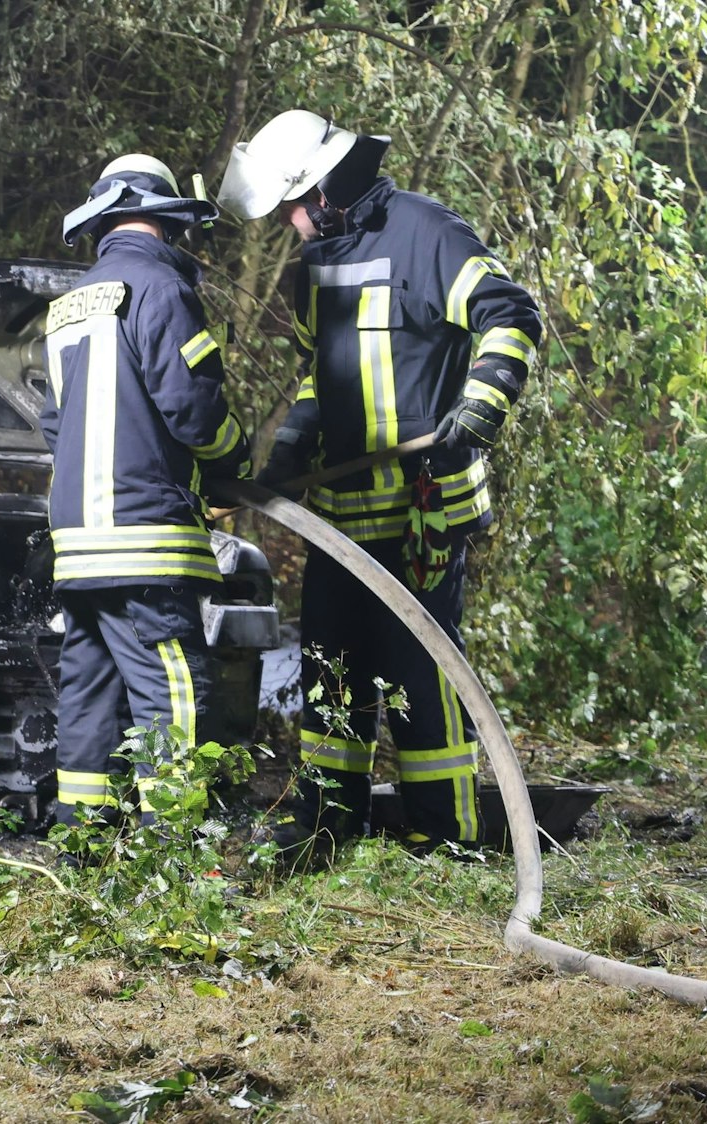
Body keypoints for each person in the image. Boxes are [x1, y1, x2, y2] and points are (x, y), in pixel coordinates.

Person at [217, 110, 542, 858]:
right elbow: (315, 379)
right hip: (339, 517)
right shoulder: (313, 264)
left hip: (419, 511)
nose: (291, 225)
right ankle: (325, 828)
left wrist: (478, 410)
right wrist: (284, 461)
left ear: (326, 185)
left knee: (419, 674)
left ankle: (446, 837)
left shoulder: (427, 234)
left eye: (294, 207)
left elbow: (509, 315)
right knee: (330, 674)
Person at [41, 154, 252, 828]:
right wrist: (232, 464)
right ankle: (171, 849)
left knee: (88, 691)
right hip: (146, 540)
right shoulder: (161, 288)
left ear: (100, 223)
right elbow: (192, 408)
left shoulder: (64, 310)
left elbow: (54, 423)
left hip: (77, 547)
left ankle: (82, 841)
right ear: (166, 222)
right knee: (174, 689)